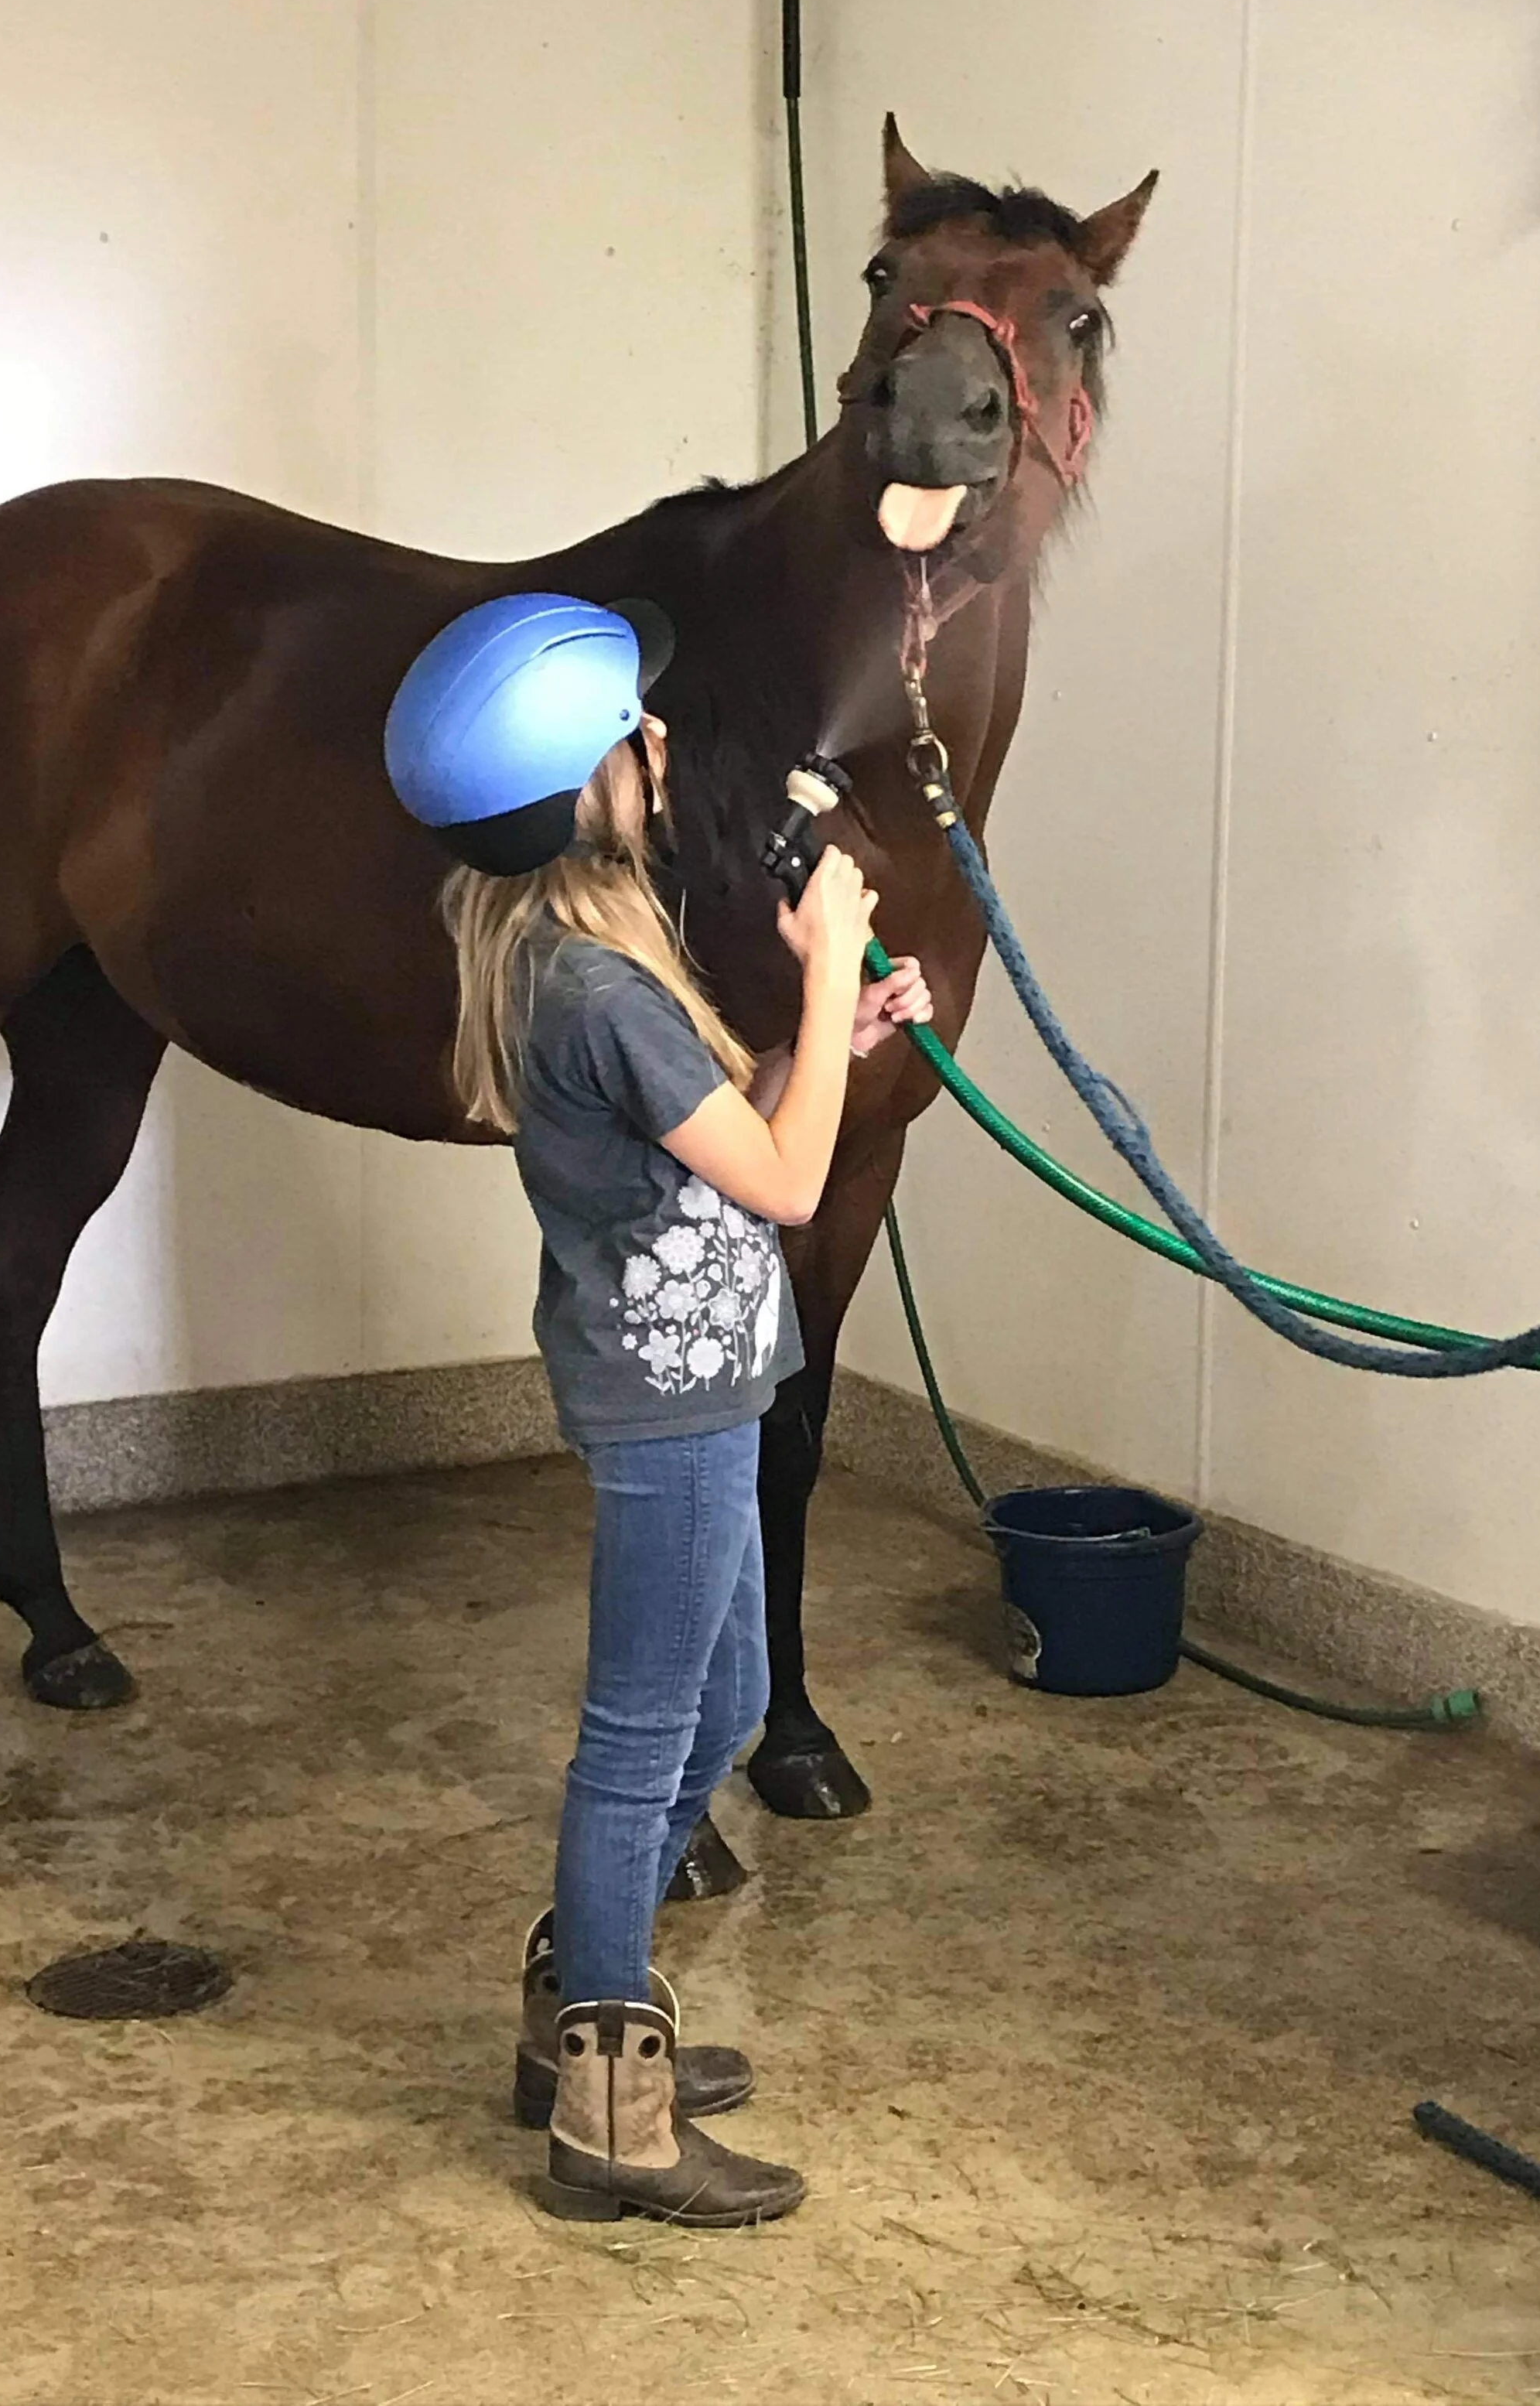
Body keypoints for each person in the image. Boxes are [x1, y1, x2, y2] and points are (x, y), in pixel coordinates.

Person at [385, 594, 931, 2226]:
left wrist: (822, 1033)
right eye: (641, 730)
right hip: (668, 1406)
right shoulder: (594, 990)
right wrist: (830, 968)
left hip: (701, 1377)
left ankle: (578, 2013)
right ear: (586, 781)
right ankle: (607, 2111)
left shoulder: (583, 954)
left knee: (733, 1692)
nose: (664, 745)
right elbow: (786, 1178)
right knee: (638, 1744)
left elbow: (714, 1151)